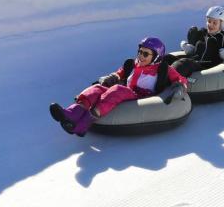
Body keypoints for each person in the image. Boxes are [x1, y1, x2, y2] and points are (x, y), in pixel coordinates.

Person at [49, 37, 188, 137]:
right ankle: (71, 113)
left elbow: (181, 80)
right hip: (127, 92)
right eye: (140, 51)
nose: (141, 56)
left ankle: (83, 124)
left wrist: (179, 87)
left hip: (141, 97)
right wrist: (112, 77)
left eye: (146, 54)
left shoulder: (164, 69)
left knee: (118, 90)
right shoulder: (133, 64)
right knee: (96, 89)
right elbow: (120, 73)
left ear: (156, 57)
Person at [171, 6, 224, 77]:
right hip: (194, 62)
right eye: (209, 21)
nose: (210, 25)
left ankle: (171, 81)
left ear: (221, 24)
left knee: (184, 64)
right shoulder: (203, 33)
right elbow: (196, 52)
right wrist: (190, 48)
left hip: (209, 69)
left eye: (214, 23)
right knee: (168, 58)